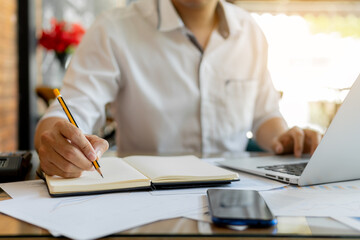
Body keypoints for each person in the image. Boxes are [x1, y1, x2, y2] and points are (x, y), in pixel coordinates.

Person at [34, 0, 321, 178]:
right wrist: (53, 138)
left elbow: (264, 114)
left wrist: (285, 138)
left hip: (237, 193)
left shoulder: (250, 31)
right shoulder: (115, 28)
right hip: (147, 198)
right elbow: (74, 105)